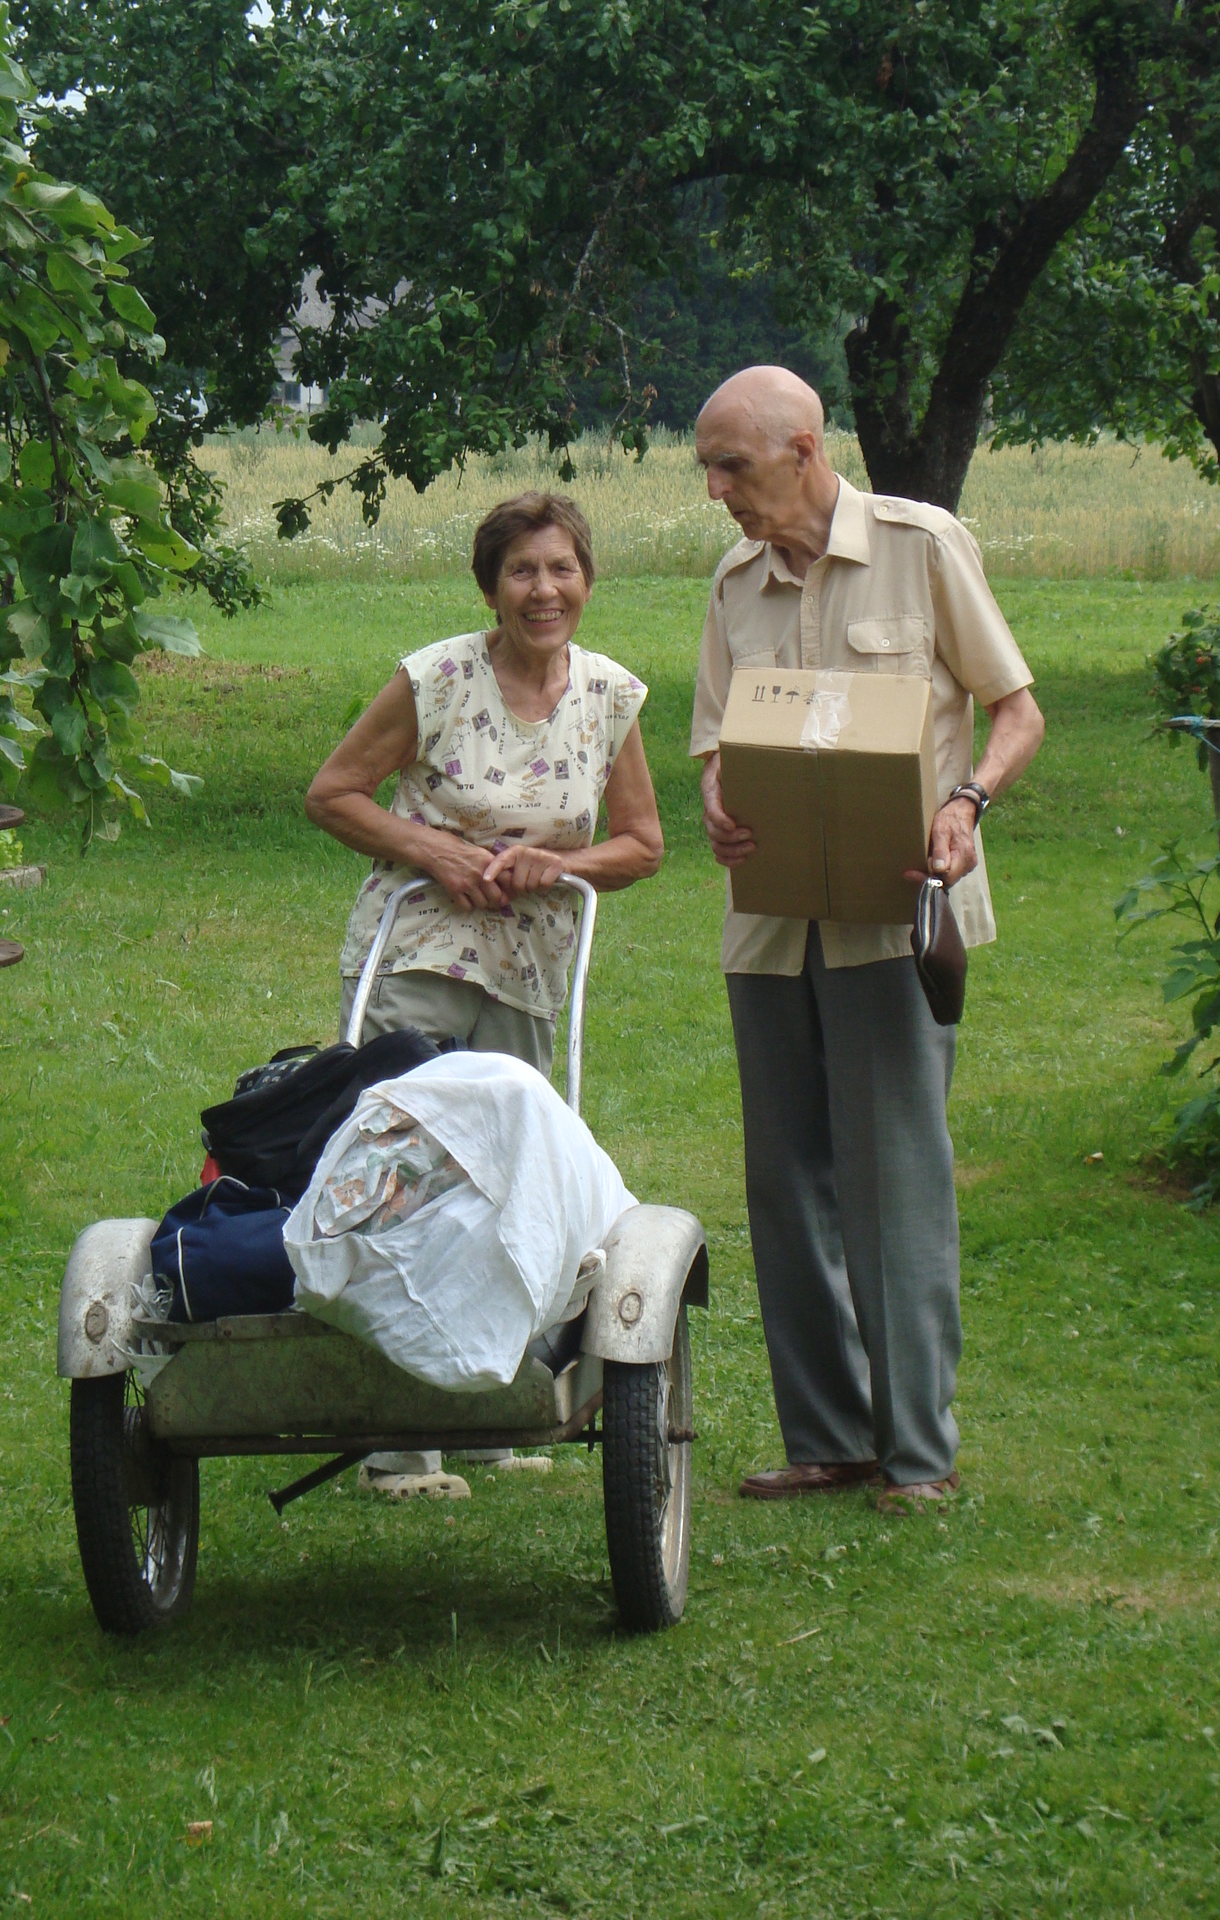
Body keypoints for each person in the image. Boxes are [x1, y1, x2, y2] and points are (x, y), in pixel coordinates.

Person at [690, 367, 1044, 1512]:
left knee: (895, 1184)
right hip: (771, 926)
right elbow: (715, 742)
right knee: (786, 1186)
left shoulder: (919, 545)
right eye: (707, 468)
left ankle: (918, 1454)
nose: (716, 490)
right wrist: (716, 801)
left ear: (803, 449)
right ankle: (827, 1438)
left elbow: (1016, 709)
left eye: (732, 465)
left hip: (897, 918)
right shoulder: (734, 582)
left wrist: (967, 805)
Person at [306, 491, 663, 1494]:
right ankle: (396, 1439)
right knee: (406, 1174)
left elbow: (643, 844)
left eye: (562, 568)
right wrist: (437, 851)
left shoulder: (610, 696)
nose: (544, 590)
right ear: (490, 587)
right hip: (419, 952)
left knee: (514, 1181)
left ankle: (481, 1415)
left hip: (530, 969)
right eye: (522, 571)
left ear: (587, 580)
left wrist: (563, 865)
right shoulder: (437, 678)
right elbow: (332, 793)